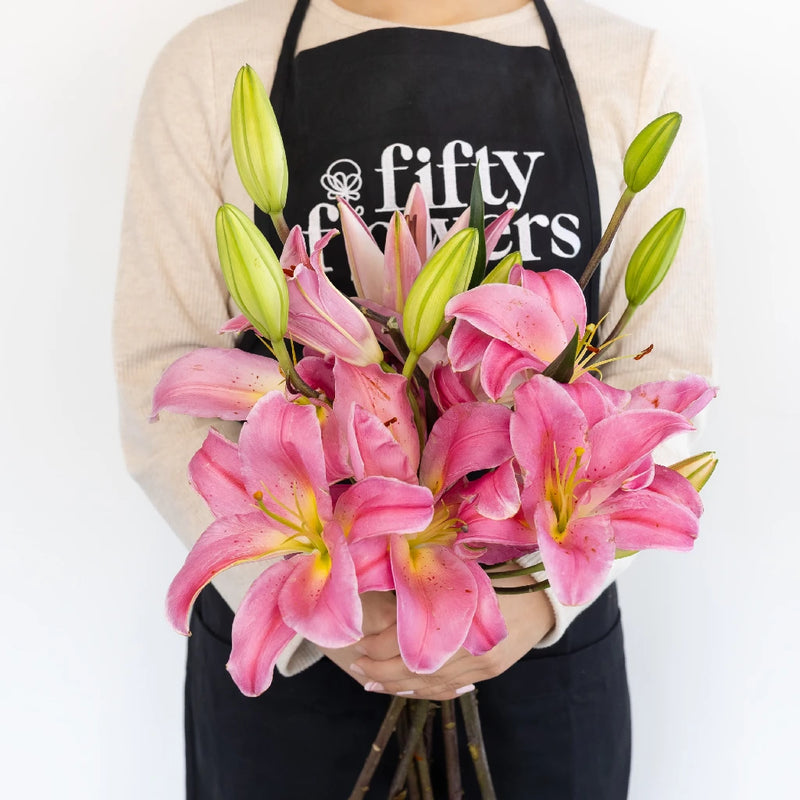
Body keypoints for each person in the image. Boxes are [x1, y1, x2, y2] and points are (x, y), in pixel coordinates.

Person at [114, 0, 714, 797]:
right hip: (294, 663)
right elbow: (162, 374)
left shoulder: (631, 70)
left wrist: (536, 601)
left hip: (539, 654)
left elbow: (667, 384)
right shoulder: (213, 65)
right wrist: (332, 609)